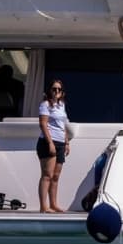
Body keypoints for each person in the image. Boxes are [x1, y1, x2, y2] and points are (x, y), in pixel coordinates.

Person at [37, 79, 70, 213]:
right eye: (54, 89)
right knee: (47, 175)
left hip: (61, 143)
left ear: (62, 92)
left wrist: (66, 142)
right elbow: (43, 124)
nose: (56, 91)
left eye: (59, 89)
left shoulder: (61, 105)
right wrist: (50, 143)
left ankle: (53, 204)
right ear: (49, 91)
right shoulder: (45, 105)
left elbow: (63, 125)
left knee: (55, 176)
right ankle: (43, 207)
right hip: (48, 142)